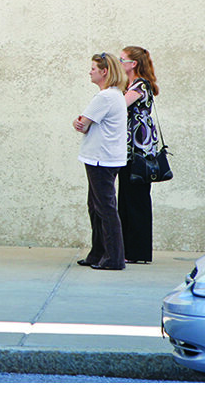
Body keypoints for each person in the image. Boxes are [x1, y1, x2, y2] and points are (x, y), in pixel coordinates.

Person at [73, 52, 129, 271]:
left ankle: (113, 257)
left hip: (100, 159)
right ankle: (98, 253)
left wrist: (79, 122)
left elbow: (82, 123)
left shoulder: (104, 97)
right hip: (105, 157)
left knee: (104, 208)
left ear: (104, 71)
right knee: (97, 207)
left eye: (94, 68)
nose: (90, 71)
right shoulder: (115, 95)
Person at [119, 46, 160, 264]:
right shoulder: (132, 85)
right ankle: (129, 249)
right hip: (131, 149)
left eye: (122, 59)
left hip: (137, 151)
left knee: (136, 199)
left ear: (133, 63)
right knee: (127, 198)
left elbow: (120, 105)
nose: (120, 62)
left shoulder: (140, 85)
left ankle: (137, 252)